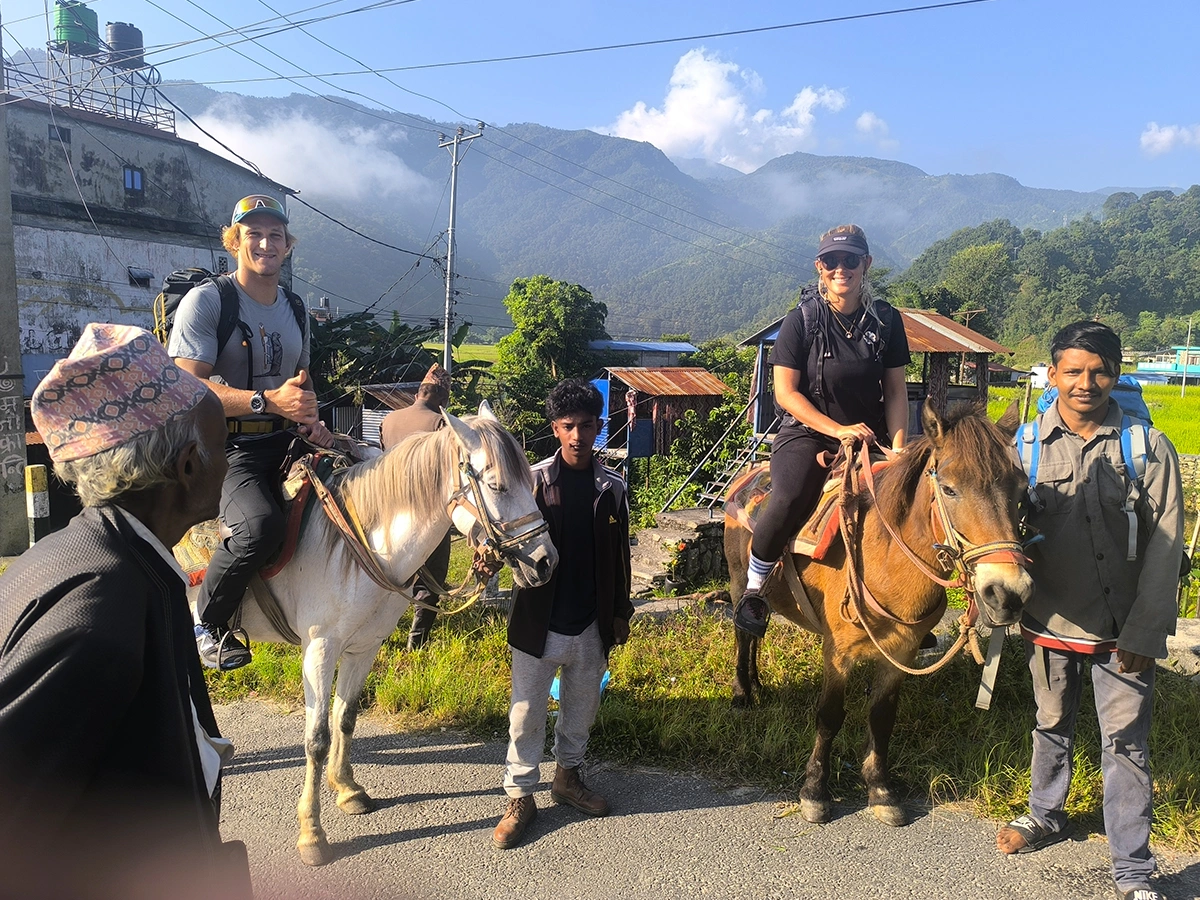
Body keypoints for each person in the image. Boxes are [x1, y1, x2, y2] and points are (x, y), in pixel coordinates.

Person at [0, 324, 252, 900]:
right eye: (224, 446)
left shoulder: (85, 556)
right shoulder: (102, 613)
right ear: (187, 467)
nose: (230, 461)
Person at [996, 321, 1182, 900]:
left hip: (1123, 627)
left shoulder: (1146, 447)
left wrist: (1146, 629)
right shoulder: (1024, 447)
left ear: (1116, 375)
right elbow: (997, 530)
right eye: (1072, 371)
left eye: (1099, 371)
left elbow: (1167, 545)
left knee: (1125, 743)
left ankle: (1132, 868)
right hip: (1048, 618)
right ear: (1052, 374)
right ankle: (1045, 813)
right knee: (1050, 723)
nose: (1085, 383)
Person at [169, 194, 333, 670]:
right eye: (254, 233)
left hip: (288, 439)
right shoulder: (210, 302)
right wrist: (267, 402)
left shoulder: (295, 307)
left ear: (287, 245)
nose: (265, 243)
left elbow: (302, 380)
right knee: (260, 528)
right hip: (227, 447)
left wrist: (312, 420)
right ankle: (208, 623)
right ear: (234, 241)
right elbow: (186, 387)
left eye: (275, 235)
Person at [735, 224, 911, 637]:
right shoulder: (802, 321)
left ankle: (906, 600)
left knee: (914, 499)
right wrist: (838, 429)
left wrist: (900, 448)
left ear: (866, 264)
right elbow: (786, 393)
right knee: (789, 496)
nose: (840, 268)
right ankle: (756, 587)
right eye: (831, 260)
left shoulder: (886, 321)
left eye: (850, 259)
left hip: (870, 436)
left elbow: (895, 391)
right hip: (808, 433)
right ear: (819, 266)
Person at [492, 378, 633, 850]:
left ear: (598, 427)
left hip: (591, 624)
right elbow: (505, 536)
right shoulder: (530, 482)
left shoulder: (612, 487)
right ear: (555, 428)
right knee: (526, 713)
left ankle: (568, 778)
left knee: (581, 709)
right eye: (569, 426)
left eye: (587, 426)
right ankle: (520, 797)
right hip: (539, 622)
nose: (578, 436)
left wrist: (620, 612)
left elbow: (621, 555)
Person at [380, 363, 453, 650]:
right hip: (428, 514)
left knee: (390, 575)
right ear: (443, 399)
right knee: (431, 581)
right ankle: (416, 642)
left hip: (389, 511)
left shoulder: (389, 420)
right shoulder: (441, 425)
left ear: (417, 394)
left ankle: (380, 633)